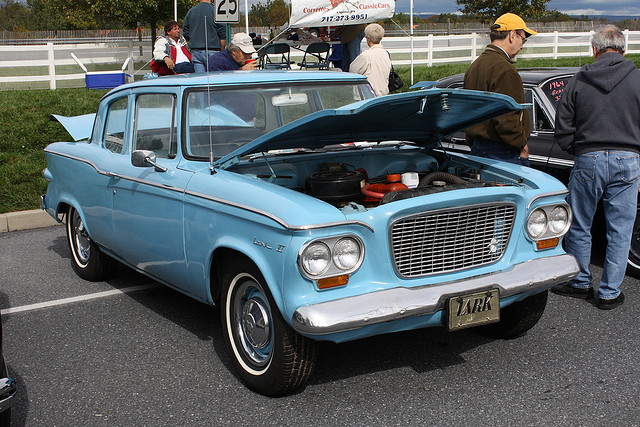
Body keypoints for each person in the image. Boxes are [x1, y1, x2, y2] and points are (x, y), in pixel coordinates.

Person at [551, 25, 640, 310]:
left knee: (579, 224)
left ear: (594, 49)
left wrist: (577, 150)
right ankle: (610, 292)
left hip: (588, 158)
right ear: (624, 50)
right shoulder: (638, 80)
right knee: (620, 229)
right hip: (628, 159)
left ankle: (580, 282)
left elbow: (563, 125)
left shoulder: (578, 80)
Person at [463, 13, 536, 166]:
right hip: (502, 152)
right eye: (523, 38)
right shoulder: (504, 69)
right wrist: (521, 145)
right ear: (512, 35)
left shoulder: (475, 65)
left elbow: (468, 112)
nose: (522, 46)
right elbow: (506, 119)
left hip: (478, 147)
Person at [182, 0, 227, 73]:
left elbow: (186, 31)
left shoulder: (191, 12)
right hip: (213, 50)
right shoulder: (215, 11)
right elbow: (222, 32)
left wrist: (192, 45)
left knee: (200, 80)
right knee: (213, 79)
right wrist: (221, 49)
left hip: (196, 51)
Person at [349, 24, 391, 96]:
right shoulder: (385, 53)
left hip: (368, 94)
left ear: (369, 39)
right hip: (383, 92)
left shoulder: (366, 55)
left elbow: (352, 69)